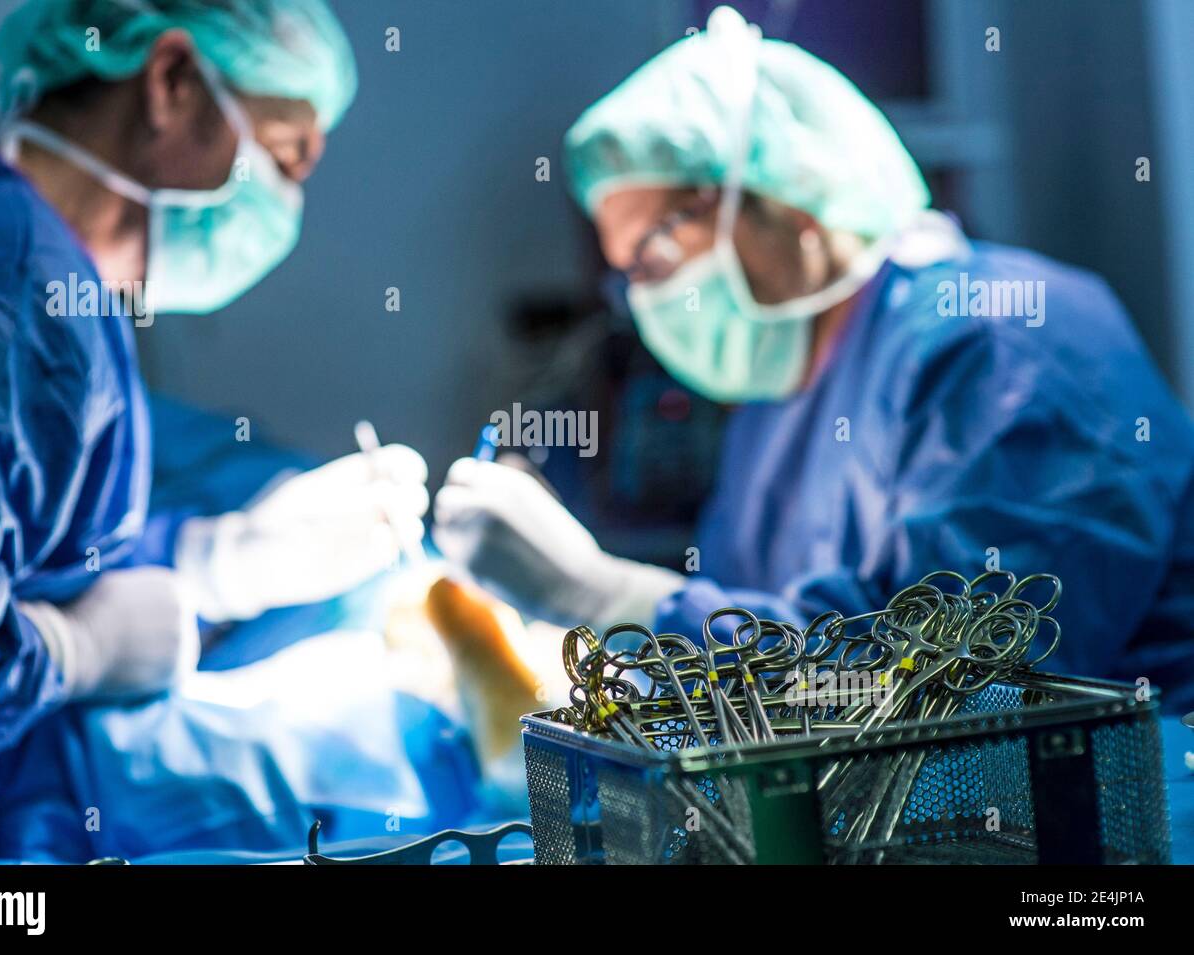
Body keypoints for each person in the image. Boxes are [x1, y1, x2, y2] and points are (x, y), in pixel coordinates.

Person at [434, 5, 1194, 712]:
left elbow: (955, 691)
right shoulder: (784, 396)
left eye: (654, 253)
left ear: (788, 200)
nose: (640, 300)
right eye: (626, 275)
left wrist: (608, 600)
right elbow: (787, 648)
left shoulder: (1006, 345)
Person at [0, 0, 433, 860]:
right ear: (173, 82)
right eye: (286, 155)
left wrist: (218, 559)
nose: (287, 203)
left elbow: (11, 549)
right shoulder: (8, 296)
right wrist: (78, 650)